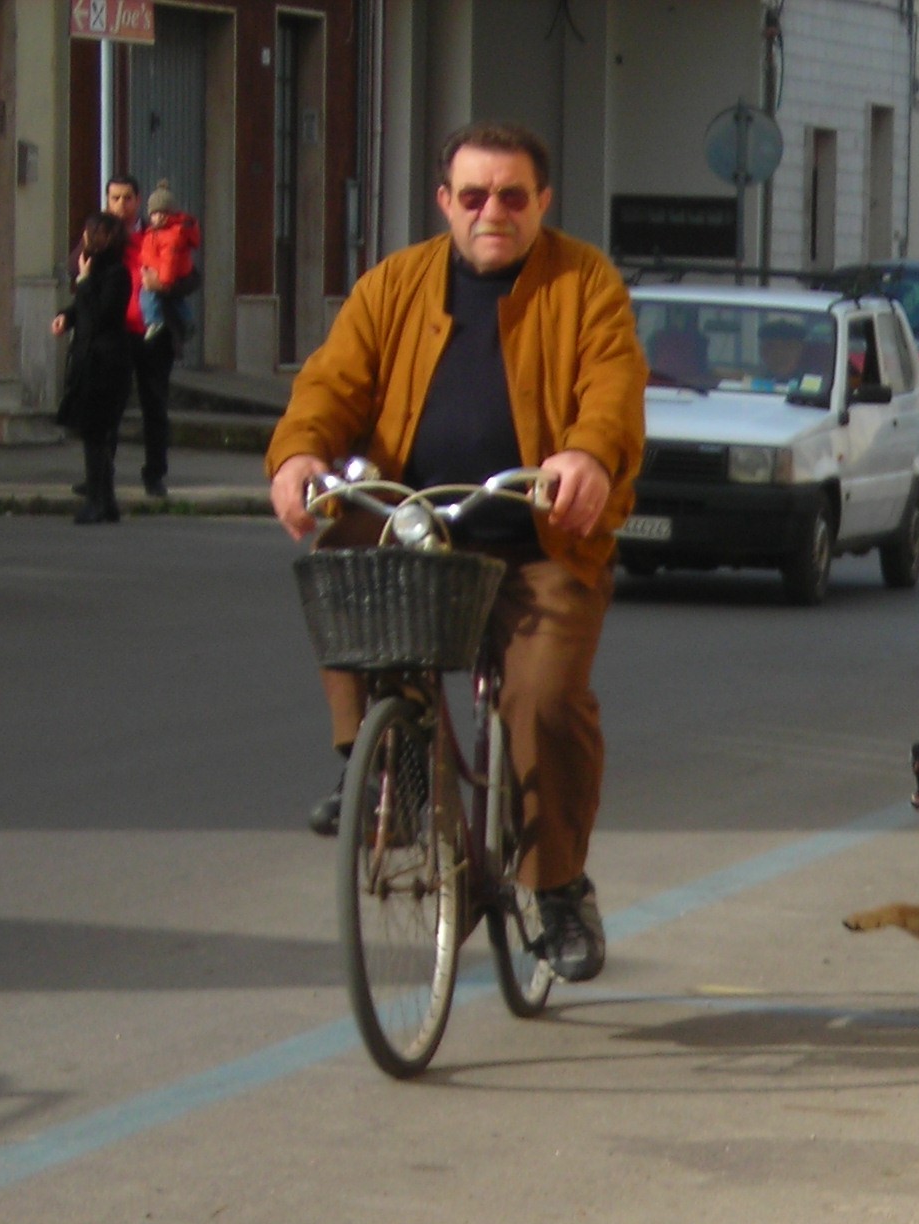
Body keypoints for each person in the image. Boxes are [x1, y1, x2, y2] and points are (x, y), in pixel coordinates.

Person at [268, 120, 645, 985]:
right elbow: (332, 381)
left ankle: (555, 890)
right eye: (473, 196)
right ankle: (384, 775)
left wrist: (585, 453)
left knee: (544, 699)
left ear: (542, 202)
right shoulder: (394, 285)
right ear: (445, 202)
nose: (493, 213)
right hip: (417, 526)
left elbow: (613, 386)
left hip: (537, 537)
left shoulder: (585, 282)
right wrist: (298, 454)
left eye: (513, 196)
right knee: (345, 571)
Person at [51, 211, 136, 525]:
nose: (85, 239)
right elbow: (82, 309)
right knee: (93, 433)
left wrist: (84, 283)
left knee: (97, 433)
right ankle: (106, 500)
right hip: (90, 359)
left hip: (107, 363)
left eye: (91, 234)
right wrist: (66, 316)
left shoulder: (117, 274)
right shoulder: (95, 271)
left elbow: (102, 313)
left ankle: (98, 500)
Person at [103, 175, 176, 498]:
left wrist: (165, 285)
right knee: (108, 406)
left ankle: (154, 475)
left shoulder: (156, 232)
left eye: (127, 198)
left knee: (154, 405)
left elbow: (189, 276)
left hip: (153, 334)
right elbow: (76, 265)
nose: (121, 205)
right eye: (115, 198)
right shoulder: (101, 234)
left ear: (138, 200)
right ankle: (101, 473)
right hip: (116, 334)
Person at [139, 182, 202, 352]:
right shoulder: (155, 232)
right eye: (154, 213)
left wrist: (164, 283)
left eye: (163, 213)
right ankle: (187, 322)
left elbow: (169, 261)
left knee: (148, 296)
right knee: (176, 301)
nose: (158, 217)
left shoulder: (170, 235)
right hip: (164, 272)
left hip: (165, 275)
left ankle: (153, 320)